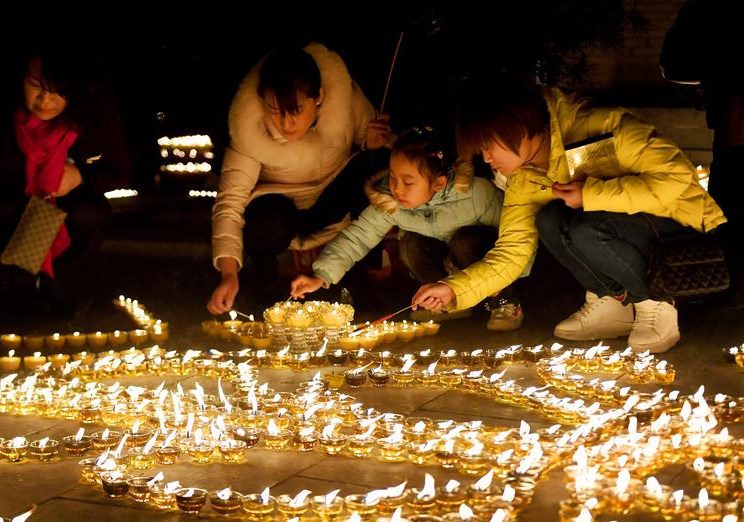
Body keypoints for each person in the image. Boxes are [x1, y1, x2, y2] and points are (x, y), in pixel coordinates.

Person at [412, 79, 726, 353]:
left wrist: (591, 194)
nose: (488, 159)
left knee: (588, 226)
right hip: (623, 230)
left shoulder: (599, 128)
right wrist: (454, 289)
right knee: (549, 219)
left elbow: (677, 179)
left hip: (684, 230)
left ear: (520, 124)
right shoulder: (524, 178)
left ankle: (655, 301)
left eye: (489, 146)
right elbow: (513, 252)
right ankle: (612, 303)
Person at [0, 44, 132, 321]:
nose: (45, 100)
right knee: (14, 303)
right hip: (10, 211)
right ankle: (9, 283)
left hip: (63, 208)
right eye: (36, 86)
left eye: (57, 90)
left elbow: (120, 170)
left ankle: (57, 278)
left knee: (88, 213)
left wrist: (81, 174)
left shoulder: (94, 113)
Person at [207, 43, 391, 315]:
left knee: (374, 169)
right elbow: (229, 203)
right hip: (280, 212)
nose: (286, 124)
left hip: (331, 199)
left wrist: (373, 144)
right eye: (275, 110)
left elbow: (387, 151)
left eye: (296, 111)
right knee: (264, 222)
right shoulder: (250, 130)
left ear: (319, 97)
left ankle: (360, 282)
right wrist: (228, 273)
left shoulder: (346, 104)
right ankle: (266, 288)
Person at [290, 127, 524, 331]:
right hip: (447, 263)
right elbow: (358, 237)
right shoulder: (391, 202)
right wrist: (320, 276)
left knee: (465, 241)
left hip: (483, 264)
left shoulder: (475, 194)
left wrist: (505, 280)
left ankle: (504, 302)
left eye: (408, 182)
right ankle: (444, 304)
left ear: (439, 183)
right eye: (392, 178)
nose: (397, 189)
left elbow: (516, 240)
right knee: (410, 243)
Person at [661, 0, 744, 310]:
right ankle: (731, 287)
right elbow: (675, 62)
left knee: (731, 207)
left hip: (734, 136)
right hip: (732, 135)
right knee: (729, 209)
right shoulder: (704, 12)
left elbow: (674, 62)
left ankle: (733, 288)